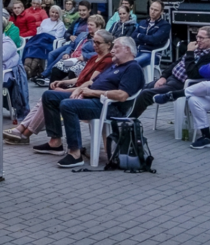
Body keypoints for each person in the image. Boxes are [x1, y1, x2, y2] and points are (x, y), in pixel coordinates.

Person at [34, 36, 146, 168]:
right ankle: (55, 143)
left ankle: (75, 153)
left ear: (127, 49)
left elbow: (122, 96)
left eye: (116, 47)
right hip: (92, 99)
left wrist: (92, 93)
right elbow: (92, 82)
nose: (112, 50)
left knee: (68, 105)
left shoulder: (132, 68)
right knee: (49, 96)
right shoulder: (114, 65)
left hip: (109, 107)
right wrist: (80, 89)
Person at [5, 30, 115, 145]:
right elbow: (80, 79)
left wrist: (65, 90)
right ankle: (22, 130)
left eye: (98, 43)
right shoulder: (93, 58)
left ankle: (26, 133)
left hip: (83, 94)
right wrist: (64, 82)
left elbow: (89, 84)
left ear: (108, 44)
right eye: (94, 42)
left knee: (49, 97)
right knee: (44, 99)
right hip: (78, 89)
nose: (94, 45)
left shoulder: (107, 60)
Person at [129, 26, 210, 118]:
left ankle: (130, 120)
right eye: (197, 37)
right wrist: (163, 77)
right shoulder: (196, 49)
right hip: (170, 79)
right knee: (138, 89)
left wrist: (189, 52)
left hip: (182, 85)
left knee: (145, 94)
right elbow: (175, 64)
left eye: (201, 38)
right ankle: (122, 115)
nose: (197, 40)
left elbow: (193, 74)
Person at [40, 15, 105, 84]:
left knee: (73, 71)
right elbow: (71, 46)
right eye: (88, 24)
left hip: (84, 61)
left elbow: (101, 53)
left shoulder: (100, 39)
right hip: (72, 59)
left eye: (91, 25)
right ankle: (53, 90)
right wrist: (67, 53)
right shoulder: (82, 34)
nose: (88, 26)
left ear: (99, 27)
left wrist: (85, 56)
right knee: (56, 68)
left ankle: (69, 92)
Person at [132, 0, 171, 67]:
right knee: (119, 61)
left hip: (152, 54)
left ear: (161, 12)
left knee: (132, 64)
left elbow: (154, 40)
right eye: (151, 9)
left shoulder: (165, 25)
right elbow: (133, 36)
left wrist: (139, 35)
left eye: (156, 10)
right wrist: (145, 38)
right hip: (137, 51)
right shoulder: (142, 22)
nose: (152, 12)